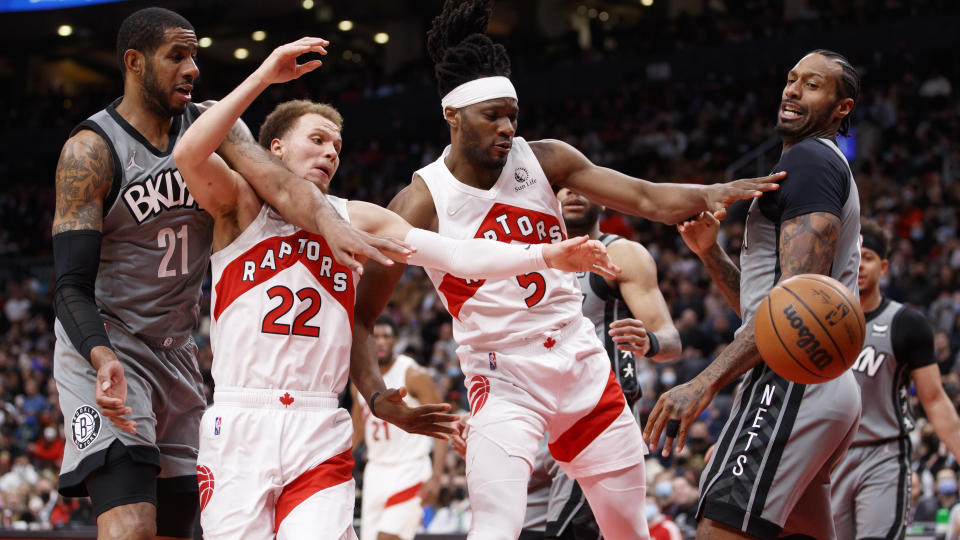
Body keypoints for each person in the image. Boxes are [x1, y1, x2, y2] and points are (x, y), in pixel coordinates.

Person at [351, 2, 783, 538]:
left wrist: (711, 191)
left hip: (582, 366)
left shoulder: (545, 159)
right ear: (453, 115)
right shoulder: (421, 201)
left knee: (629, 532)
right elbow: (362, 316)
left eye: (513, 114)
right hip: (502, 376)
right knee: (495, 528)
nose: (508, 127)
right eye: (493, 116)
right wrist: (375, 397)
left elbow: (648, 198)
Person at [172, 37, 620, 539]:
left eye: (337, 147)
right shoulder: (238, 207)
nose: (330, 152)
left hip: (319, 419)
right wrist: (264, 76)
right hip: (240, 415)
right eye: (317, 140)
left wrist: (542, 254)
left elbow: (455, 253)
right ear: (275, 147)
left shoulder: (357, 217)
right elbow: (189, 150)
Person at [51, 8, 410, 540]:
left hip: (176, 353)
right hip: (109, 348)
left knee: (183, 526)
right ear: (134, 62)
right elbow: (69, 286)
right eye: (177, 56)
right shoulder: (90, 151)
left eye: (195, 55)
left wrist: (331, 223)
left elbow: (282, 185)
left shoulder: (213, 125)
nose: (192, 67)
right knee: (132, 526)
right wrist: (100, 355)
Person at [655, 49, 863, 539]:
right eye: (791, 80)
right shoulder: (810, 164)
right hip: (818, 374)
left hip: (792, 379)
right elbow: (770, 312)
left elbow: (795, 314)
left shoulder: (811, 161)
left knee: (719, 527)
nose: (792, 90)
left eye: (812, 85)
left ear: (842, 108)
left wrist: (704, 381)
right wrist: (711, 255)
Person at [520, 189, 682, 538]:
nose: (573, 192)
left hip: (594, 414)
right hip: (538, 417)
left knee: (569, 533)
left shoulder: (621, 254)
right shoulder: (526, 256)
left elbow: (671, 340)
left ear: (602, 198)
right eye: (561, 186)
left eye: (582, 184)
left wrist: (650, 341)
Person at [831, 219, 960, 539]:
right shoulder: (818, 324)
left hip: (883, 454)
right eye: (852, 256)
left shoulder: (906, 323)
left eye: (868, 256)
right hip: (828, 457)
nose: (859, 265)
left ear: (884, 266)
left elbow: (934, 399)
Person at [351, 315, 448, 540]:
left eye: (387, 336)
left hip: (410, 468)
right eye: (376, 337)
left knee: (388, 537)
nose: (382, 342)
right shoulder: (359, 379)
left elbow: (441, 422)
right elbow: (357, 432)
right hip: (375, 471)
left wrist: (437, 476)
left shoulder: (413, 374)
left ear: (396, 341)